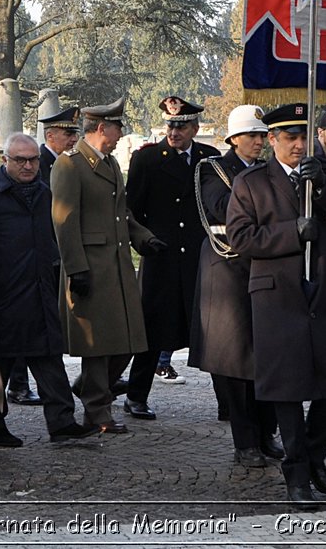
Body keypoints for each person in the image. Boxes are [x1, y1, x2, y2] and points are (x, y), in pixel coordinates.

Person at [226, 102, 326, 508]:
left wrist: (323, 188)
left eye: (303, 137)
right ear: (271, 140)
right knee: (287, 390)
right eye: (290, 138)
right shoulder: (251, 183)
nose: (299, 145)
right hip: (278, 297)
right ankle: (296, 473)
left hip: (324, 292)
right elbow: (242, 239)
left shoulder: (322, 175)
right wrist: (291, 232)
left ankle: (316, 458)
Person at [0, 133, 97, 445]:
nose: (28, 165)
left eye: (32, 159)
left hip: (41, 287)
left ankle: (62, 421)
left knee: (48, 357)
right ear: (5, 161)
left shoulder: (46, 193)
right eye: (20, 160)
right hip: (3, 291)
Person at [51, 98, 161, 434]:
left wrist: (144, 238)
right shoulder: (70, 165)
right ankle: (98, 411)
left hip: (116, 267)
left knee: (127, 339)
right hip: (90, 269)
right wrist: (76, 269)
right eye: (117, 127)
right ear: (102, 128)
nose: (120, 133)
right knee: (98, 344)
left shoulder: (110, 163)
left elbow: (121, 214)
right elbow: (63, 221)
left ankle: (89, 390)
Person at [191, 105, 283, 468]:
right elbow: (224, 207)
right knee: (234, 361)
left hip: (261, 265)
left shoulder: (267, 171)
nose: (259, 142)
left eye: (263, 136)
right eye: (252, 135)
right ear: (233, 139)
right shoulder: (213, 169)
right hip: (226, 270)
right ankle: (245, 441)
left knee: (267, 357)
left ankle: (266, 433)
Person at [121, 95, 218, 419]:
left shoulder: (208, 157)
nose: (174, 132)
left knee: (213, 331)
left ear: (194, 129)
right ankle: (136, 395)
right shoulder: (147, 159)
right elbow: (131, 208)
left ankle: (230, 404)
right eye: (170, 126)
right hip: (160, 256)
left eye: (181, 126)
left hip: (197, 257)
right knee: (151, 331)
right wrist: (143, 242)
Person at [11, 106, 79, 406]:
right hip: (31, 258)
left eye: (75, 133)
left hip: (50, 255)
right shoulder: (44, 167)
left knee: (43, 327)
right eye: (68, 134)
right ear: (50, 136)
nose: (73, 139)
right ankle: (18, 385)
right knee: (22, 327)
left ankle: (43, 395)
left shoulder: (65, 163)